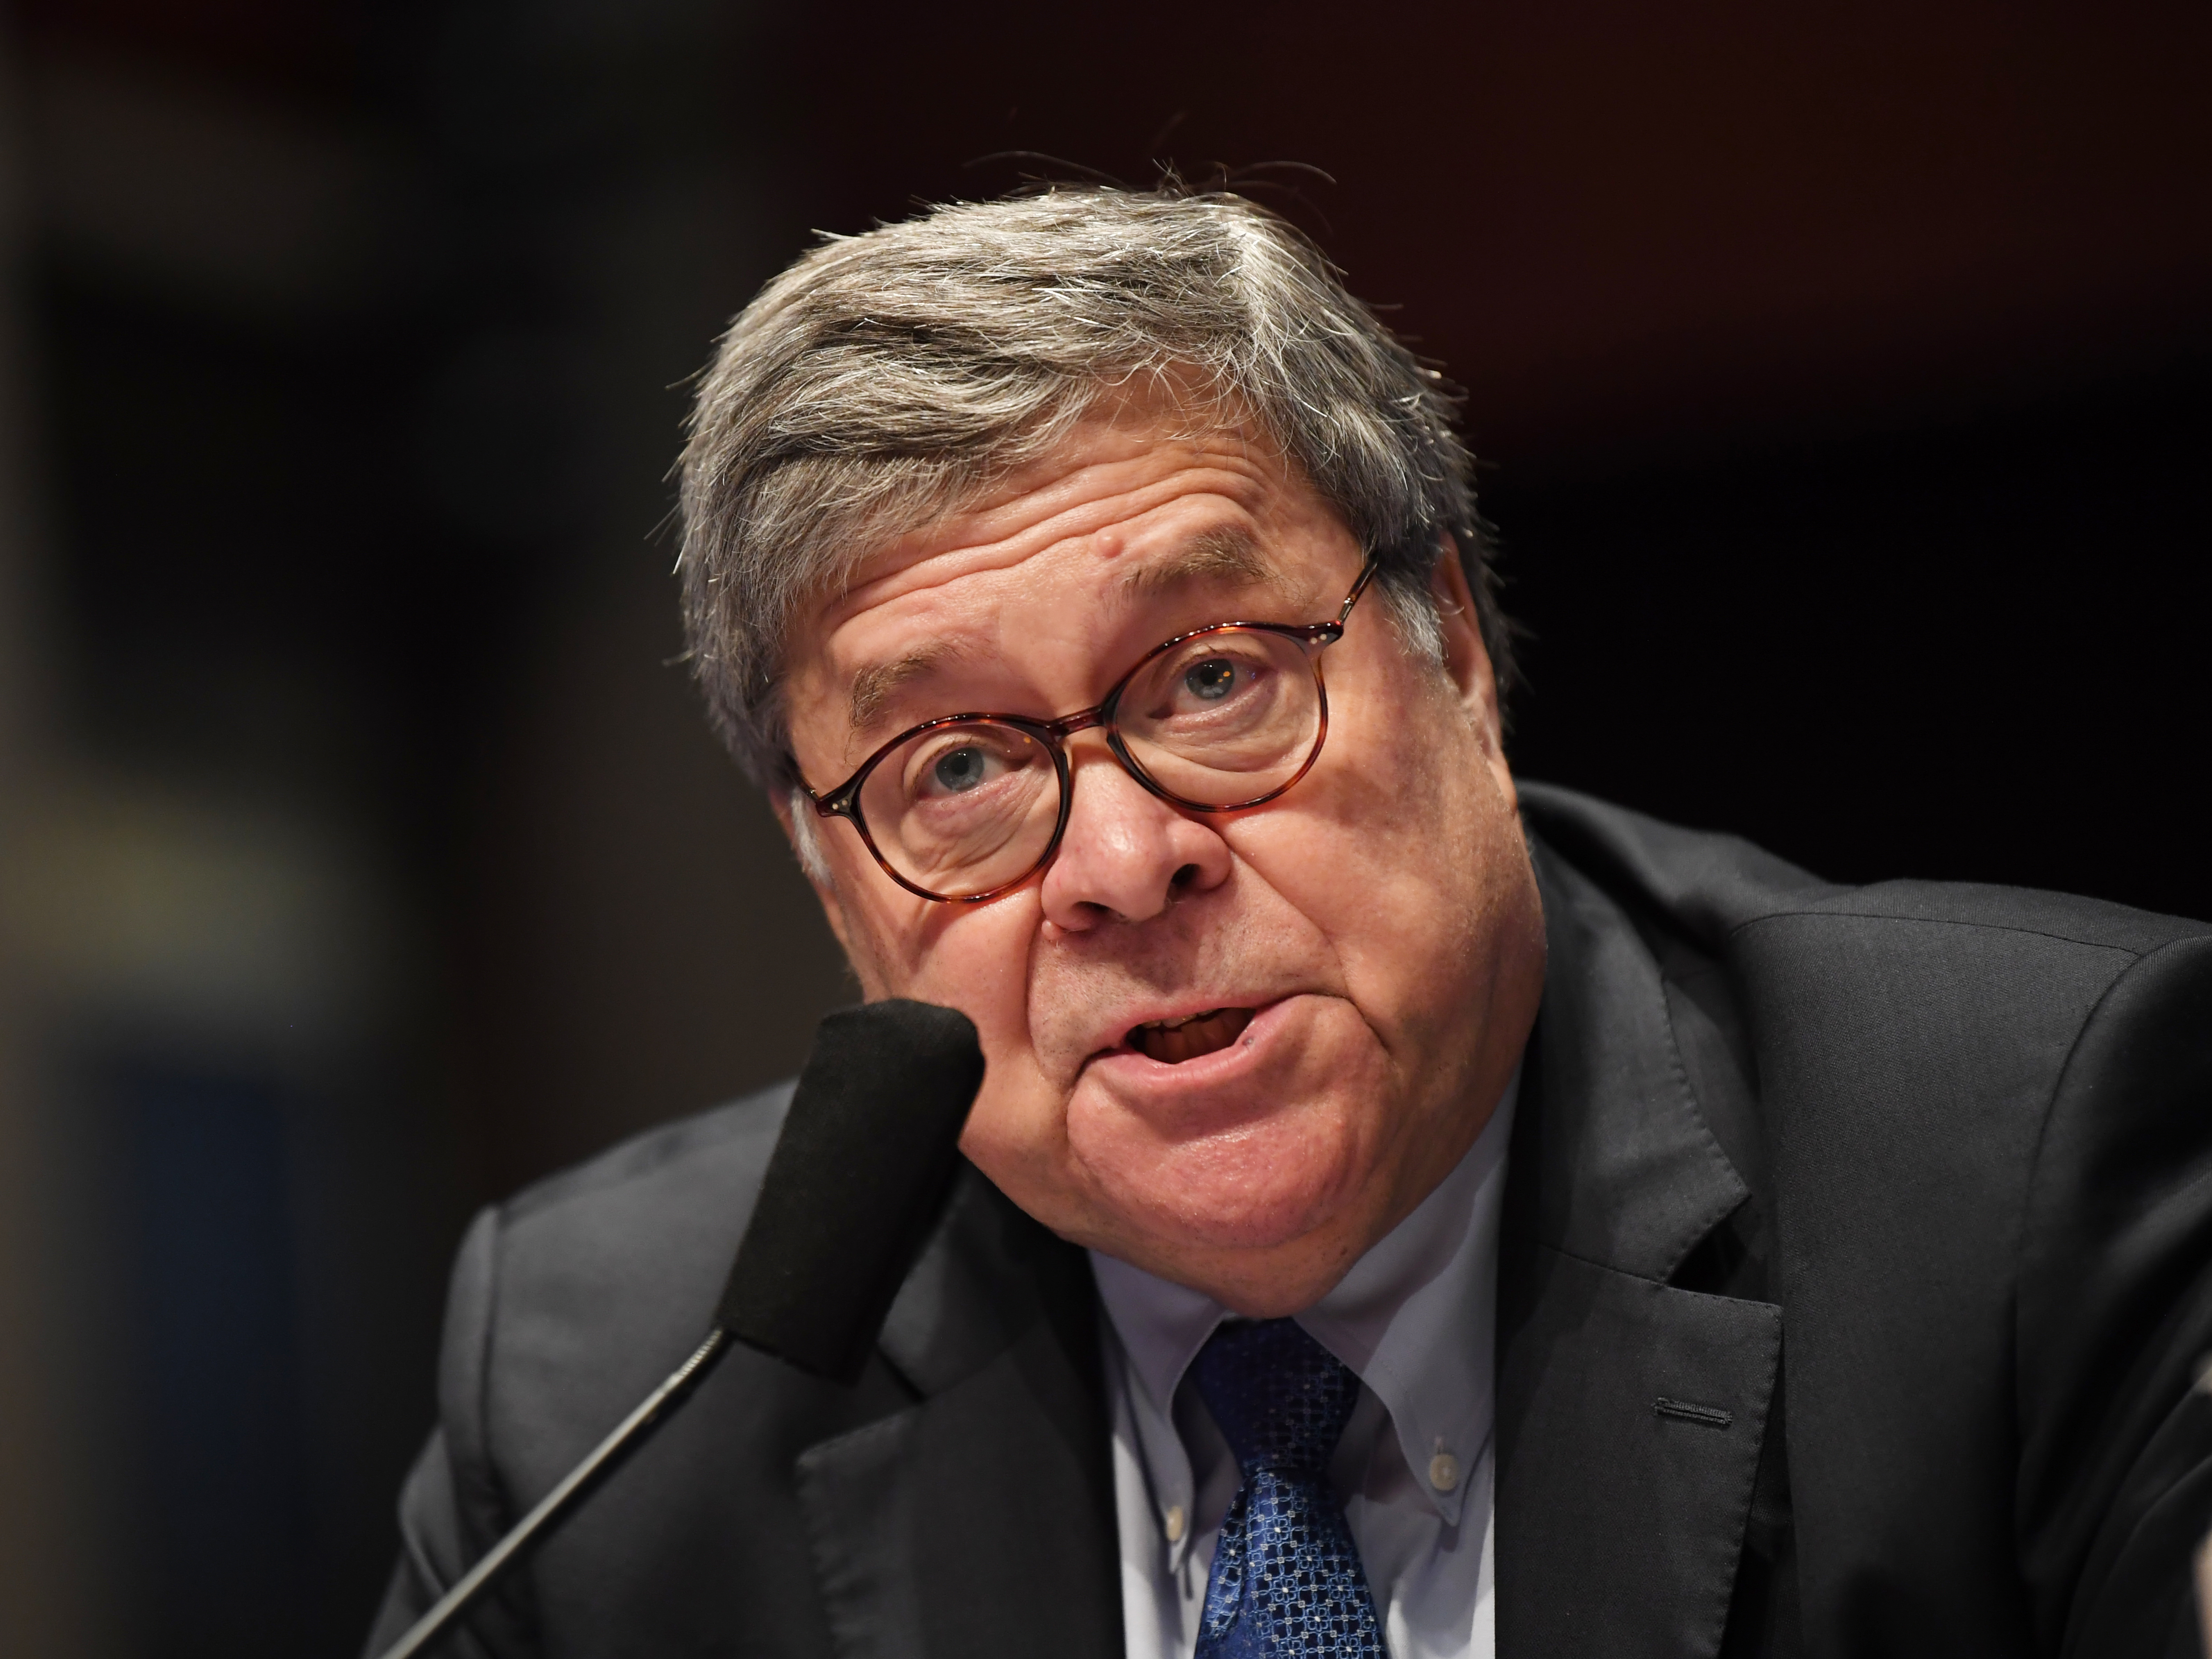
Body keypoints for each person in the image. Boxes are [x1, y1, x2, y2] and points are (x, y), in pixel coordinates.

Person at [365, 189, 2212, 1659]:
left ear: (1454, 651)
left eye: (1212, 677)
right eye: (956, 768)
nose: (1118, 859)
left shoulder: (2011, 1167)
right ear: (826, 872)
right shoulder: (615, 1395)